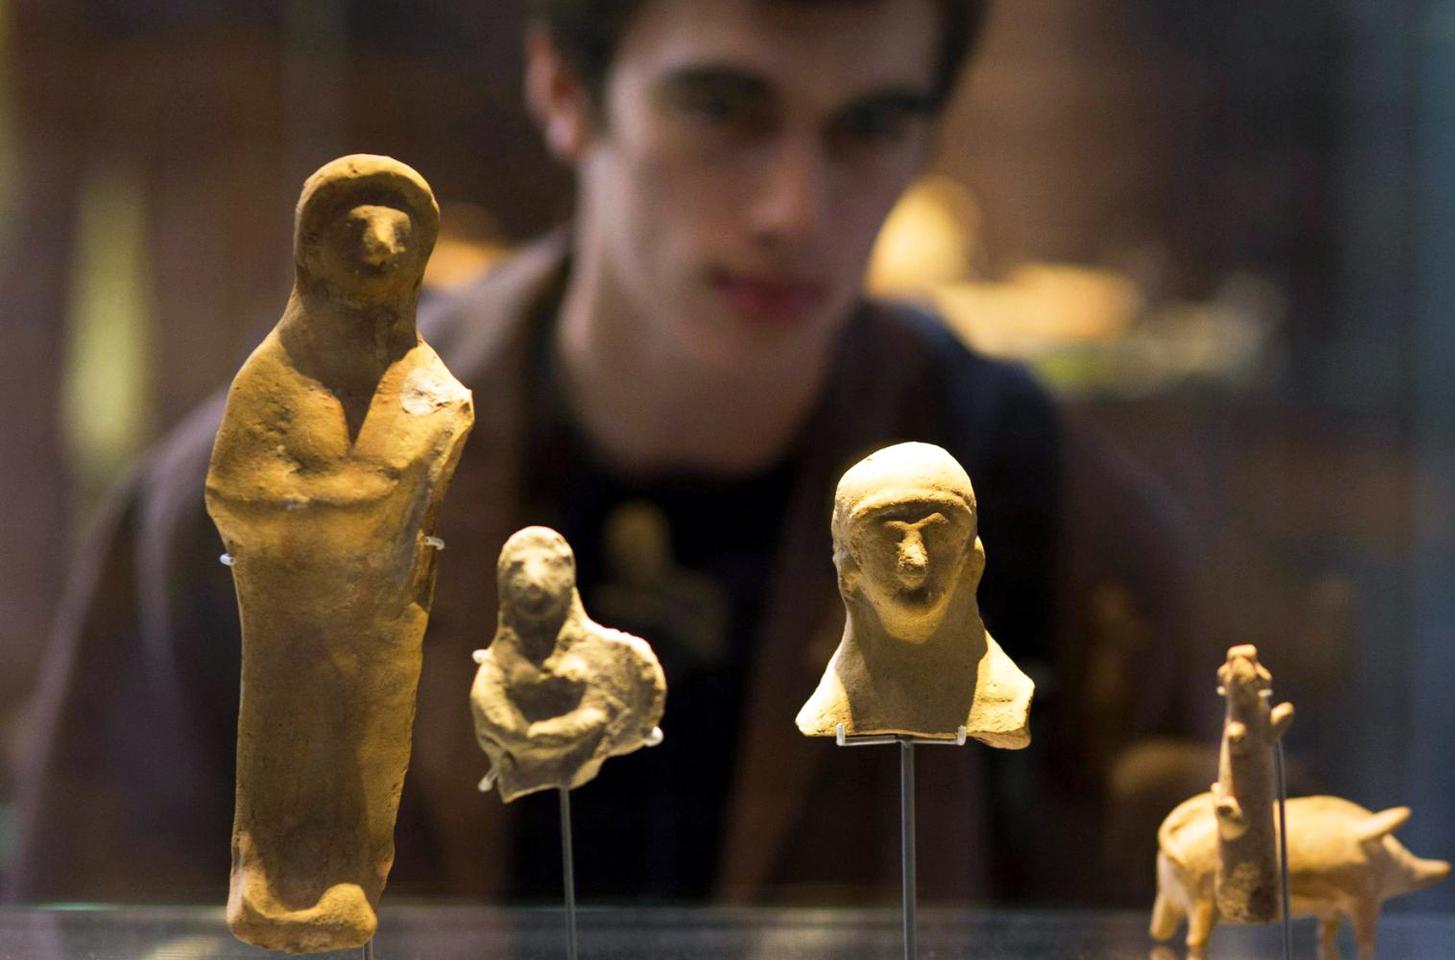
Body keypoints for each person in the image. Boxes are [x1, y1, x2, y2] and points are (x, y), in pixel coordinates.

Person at [10, 0, 1197, 905]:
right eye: (722, 108)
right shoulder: (296, 481)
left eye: (872, 127)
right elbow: (99, 899)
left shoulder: (1044, 505)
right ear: (566, 89)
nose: (792, 209)